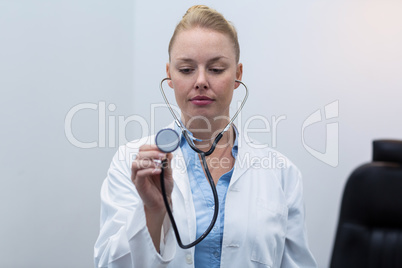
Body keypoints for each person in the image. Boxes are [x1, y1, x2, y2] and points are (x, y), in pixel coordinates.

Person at [94, 5, 316, 268]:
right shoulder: (131, 162)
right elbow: (109, 264)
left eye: (216, 69)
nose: (200, 81)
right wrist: (153, 213)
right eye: (186, 70)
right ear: (170, 75)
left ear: (238, 75)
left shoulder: (282, 173)